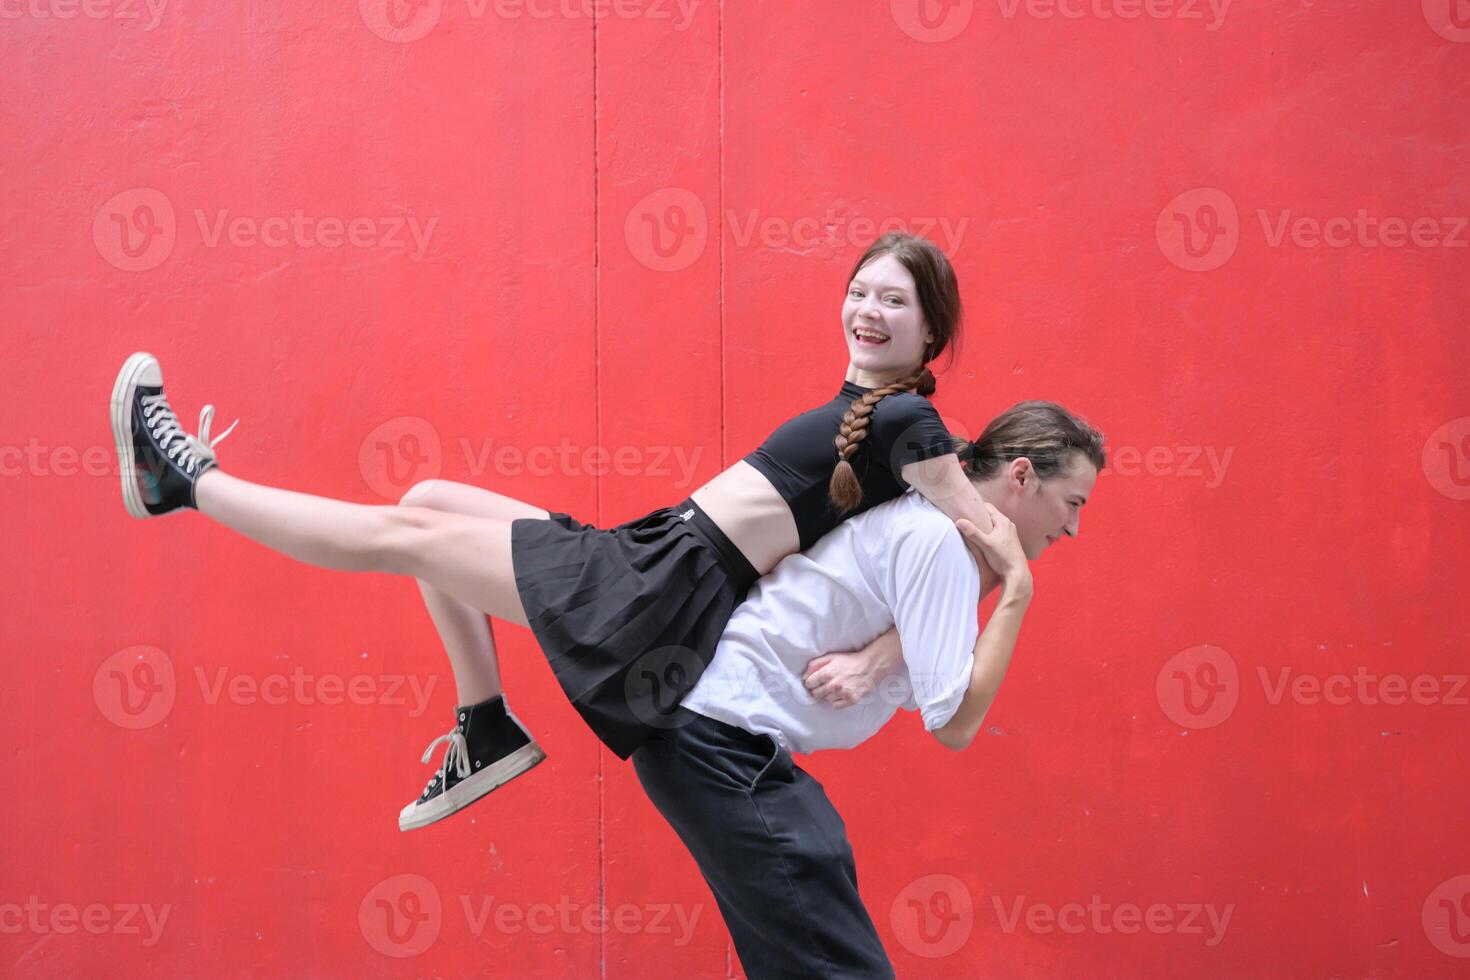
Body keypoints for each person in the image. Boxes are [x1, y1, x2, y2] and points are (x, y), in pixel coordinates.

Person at [108, 232, 1003, 833]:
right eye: (858, 290)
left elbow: (981, 543)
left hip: (659, 591)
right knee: (428, 497)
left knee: (401, 536)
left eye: (893, 300)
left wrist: (891, 653)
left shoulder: (905, 424)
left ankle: (187, 484)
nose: (867, 310)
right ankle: (484, 725)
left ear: (931, 332)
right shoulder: (871, 415)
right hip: (650, 552)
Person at [633, 402, 1105, 979]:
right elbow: (954, 724)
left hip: (720, 744)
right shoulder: (938, 542)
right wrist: (1018, 590)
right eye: (1073, 503)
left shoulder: (930, 528)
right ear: (1023, 475)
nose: (1075, 528)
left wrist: (880, 656)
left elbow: (916, 621)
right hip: (721, 746)